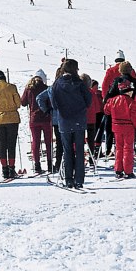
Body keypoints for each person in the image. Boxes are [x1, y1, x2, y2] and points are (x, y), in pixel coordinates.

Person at [51, 59, 92, 189]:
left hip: (64, 121)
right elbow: (88, 101)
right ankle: (79, 179)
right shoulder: (80, 83)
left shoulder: (57, 84)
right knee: (79, 150)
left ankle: (68, 179)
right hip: (79, 119)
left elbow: (54, 103)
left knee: (67, 150)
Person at [104, 78, 136, 179]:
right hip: (128, 127)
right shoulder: (131, 102)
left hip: (116, 127)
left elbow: (106, 110)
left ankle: (118, 170)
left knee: (118, 148)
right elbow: (134, 118)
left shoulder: (112, 100)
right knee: (128, 149)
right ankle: (128, 171)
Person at [0, 70, 21, 179]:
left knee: (2, 145)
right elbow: (18, 103)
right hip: (12, 118)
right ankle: (12, 168)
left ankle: (4, 170)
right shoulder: (11, 87)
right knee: (11, 145)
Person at [21, 70, 53, 173]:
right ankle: (49, 164)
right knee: (48, 142)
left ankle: (37, 165)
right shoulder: (46, 88)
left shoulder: (29, 89)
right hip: (46, 118)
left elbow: (23, 102)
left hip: (34, 119)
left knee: (35, 142)